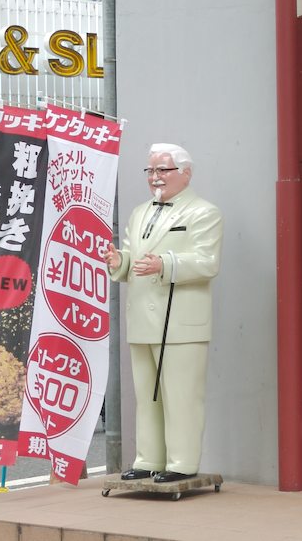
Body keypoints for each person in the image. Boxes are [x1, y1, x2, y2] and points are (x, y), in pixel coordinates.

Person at [104, 143, 223, 483]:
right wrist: (120, 261)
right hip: (143, 316)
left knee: (181, 396)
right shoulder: (139, 212)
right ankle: (148, 458)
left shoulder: (203, 212)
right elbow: (133, 257)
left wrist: (165, 264)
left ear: (186, 173)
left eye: (163, 170)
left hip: (180, 320)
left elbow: (207, 262)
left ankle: (182, 462)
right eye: (151, 170)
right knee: (147, 395)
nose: (155, 177)